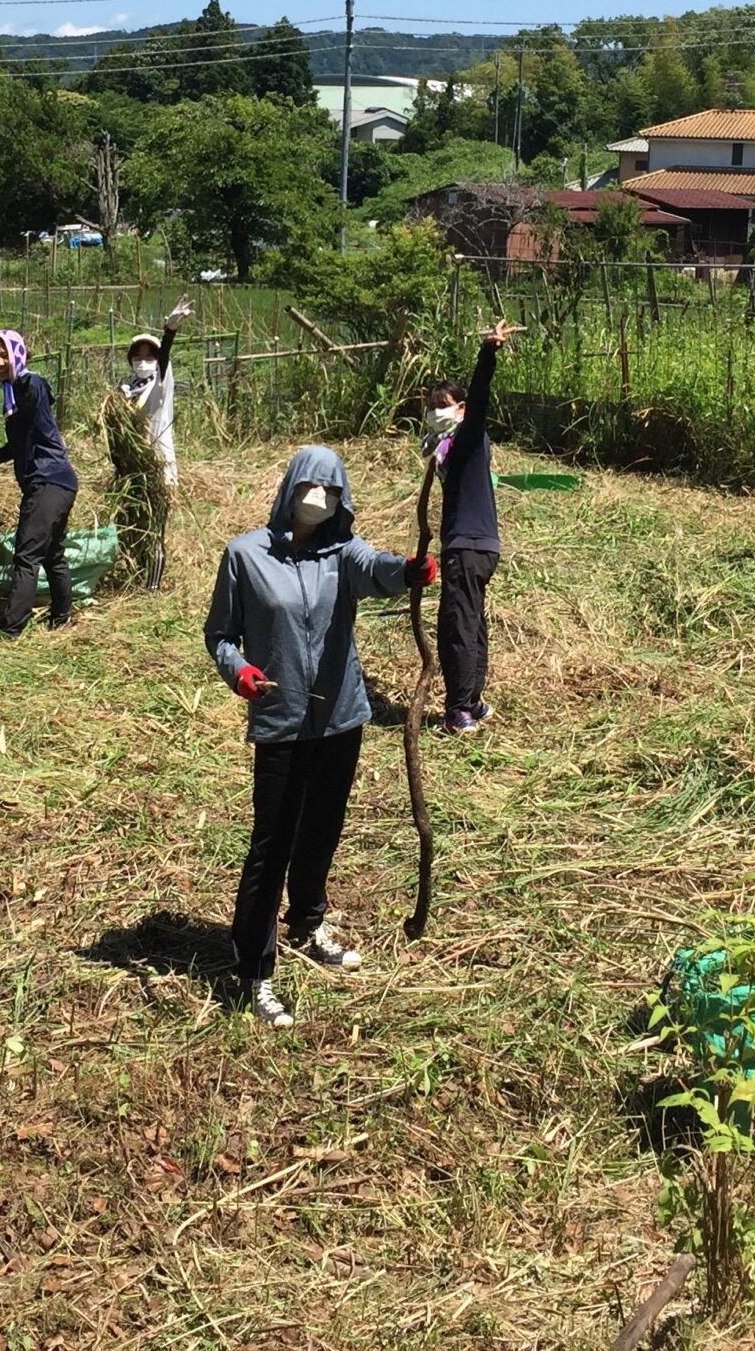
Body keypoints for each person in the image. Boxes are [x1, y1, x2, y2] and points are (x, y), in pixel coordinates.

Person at [204, 446, 435, 1028]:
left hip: (340, 718)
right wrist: (242, 673)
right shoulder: (246, 555)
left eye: (331, 492)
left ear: (342, 500)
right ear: (288, 489)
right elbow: (221, 635)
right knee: (271, 843)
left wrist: (408, 572)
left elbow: (378, 569)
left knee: (323, 828)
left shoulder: (342, 554)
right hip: (281, 720)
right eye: (310, 487)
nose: (319, 499)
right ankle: (253, 971)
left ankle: (307, 923)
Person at [423, 318, 519, 734]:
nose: (436, 412)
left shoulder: (466, 436)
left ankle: (457, 708)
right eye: (431, 406)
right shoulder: (448, 449)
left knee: (457, 624)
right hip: (481, 545)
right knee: (473, 620)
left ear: (460, 409)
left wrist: (487, 353)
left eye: (444, 404)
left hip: (466, 546)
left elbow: (479, 400)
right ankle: (474, 700)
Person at [0, 328, 79, 633]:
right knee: (52, 553)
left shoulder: (28, 384)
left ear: (18, 354)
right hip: (58, 482)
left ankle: (11, 626)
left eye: (5, 353)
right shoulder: (12, 394)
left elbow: (34, 400)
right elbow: (19, 441)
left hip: (48, 481)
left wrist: (17, 385)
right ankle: (62, 619)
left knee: (27, 554)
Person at [115, 297, 194, 588]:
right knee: (133, 523)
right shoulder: (125, 391)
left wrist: (168, 332)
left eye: (149, 357)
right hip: (132, 470)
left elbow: (164, 359)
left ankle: (153, 586)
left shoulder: (160, 384)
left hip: (158, 464)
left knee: (156, 526)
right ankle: (133, 575)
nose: (143, 362)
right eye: (138, 357)